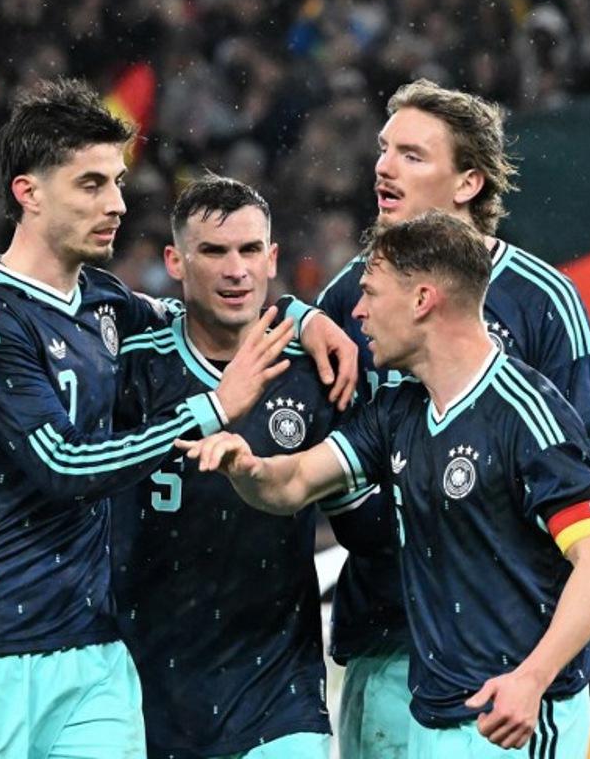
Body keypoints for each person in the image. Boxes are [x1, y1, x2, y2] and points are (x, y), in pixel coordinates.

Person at [0, 79, 320, 759]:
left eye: (117, 183)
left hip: (93, 650)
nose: (117, 204)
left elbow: (207, 315)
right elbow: (62, 465)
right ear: (28, 192)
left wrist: (301, 314)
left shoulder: (105, 302)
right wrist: (211, 409)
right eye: (91, 185)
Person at [182, 211, 590, 758]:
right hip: (434, 713)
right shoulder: (399, 413)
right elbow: (294, 482)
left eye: (371, 292)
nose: (359, 311)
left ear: (422, 300)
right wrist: (248, 468)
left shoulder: (527, 416)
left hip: (513, 717)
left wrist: (532, 679)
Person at [316, 79, 590, 759]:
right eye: (384, 150)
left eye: (412, 155)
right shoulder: (349, 297)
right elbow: (327, 445)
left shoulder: (542, 301)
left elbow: (585, 475)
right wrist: (300, 318)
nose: (384, 167)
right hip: (383, 642)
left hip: (501, 663)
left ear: (468, 181)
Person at [112, 174, 367, 759]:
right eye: (214, 251)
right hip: (147, 685)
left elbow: (367, 512)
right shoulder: (129, 363)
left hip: (278, 687)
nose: (236, 270)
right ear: (175, 261)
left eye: (251, 250)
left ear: (272, 257)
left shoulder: (319, 371)